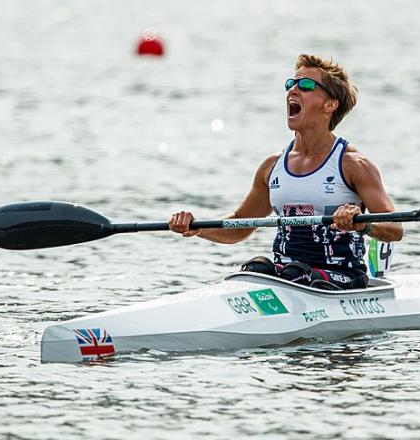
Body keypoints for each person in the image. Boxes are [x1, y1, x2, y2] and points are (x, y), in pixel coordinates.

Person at [169, 54, 403, 289]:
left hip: (342, 276)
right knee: (256, 268)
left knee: (297, 274)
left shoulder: (354, 165)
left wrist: (362, 225)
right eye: (291, 84)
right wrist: (198, 227)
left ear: (330, 105)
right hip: (288, 276)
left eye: (306, 85)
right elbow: (239, 225)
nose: (293, 90)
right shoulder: (272, 167)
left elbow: (395, 228)